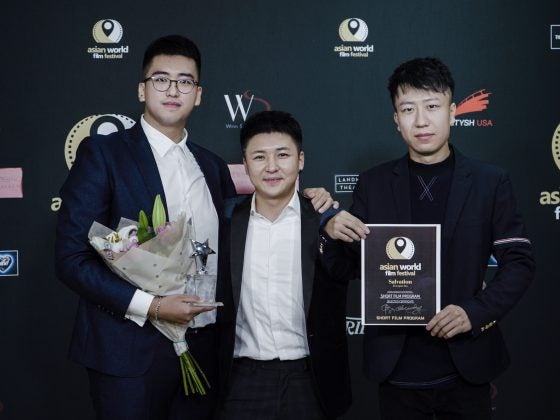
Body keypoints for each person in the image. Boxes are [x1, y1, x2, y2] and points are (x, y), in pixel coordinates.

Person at [55, 35, 335, 420]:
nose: (173, 90)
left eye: (185, 81)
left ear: (198, 95)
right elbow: (72, 258)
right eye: (161, 79)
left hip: (206, 349)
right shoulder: (104, 154)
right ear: (142, 89)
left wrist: (313, 204)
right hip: (129, 352)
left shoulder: (211, 166)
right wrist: (154, 307)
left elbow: (248, 228)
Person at [323, 57, 535, 419]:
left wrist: (474, 312)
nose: (421, 120)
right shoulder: (373, 184)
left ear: (452, 113)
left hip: (466, 367)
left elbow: (519, 263)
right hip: (396, 370)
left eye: (432, 106)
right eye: (408, 109)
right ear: (396, 119)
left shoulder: (489, 181)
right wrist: (328, 230)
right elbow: (350, 266)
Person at [216, 111, 353, 420]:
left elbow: (350, 270)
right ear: (245, 164)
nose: (272, 167)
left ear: (300, 160)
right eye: (259, 157)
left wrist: (329, 221)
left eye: (282, 155)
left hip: (312, 379)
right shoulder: (225, 221)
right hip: (241, 381)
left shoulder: (325, 220)